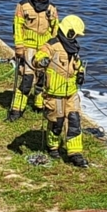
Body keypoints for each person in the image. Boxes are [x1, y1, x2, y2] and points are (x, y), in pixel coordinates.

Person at [33, 15, 88, 168]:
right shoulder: (51, 45)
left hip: (71, 93)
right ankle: (53, 146)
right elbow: (38, 58)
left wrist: (81, 73)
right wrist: (41, 61)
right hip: (54, 93)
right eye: (74, 34)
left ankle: (75, 153)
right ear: (68, 32)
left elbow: (77, 64)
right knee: (56, 122)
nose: (76, 37)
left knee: (74, 120)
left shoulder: (73, 48)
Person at [7, 0, 59, 122]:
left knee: (42, 77)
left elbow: (55, 30)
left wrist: (55, 49)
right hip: (28, 46)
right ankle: (16, 109)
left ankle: (39, 104)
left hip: (45, 48)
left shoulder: (52, 9)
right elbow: (17, 26)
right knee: (27, 79)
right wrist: (19, 46)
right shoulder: (23, 6)